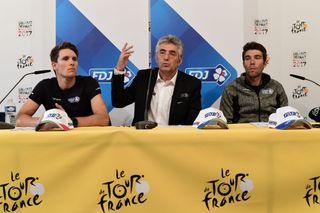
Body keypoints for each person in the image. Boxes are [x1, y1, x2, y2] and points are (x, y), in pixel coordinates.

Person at [112, 35, 201, 126]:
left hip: (173, 137)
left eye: (172, 53)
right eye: (162, 52)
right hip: (144, 136)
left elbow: (192, 121)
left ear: (180, 60)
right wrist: (120, 68)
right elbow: (118, 101)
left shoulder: (191, 84)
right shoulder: (144, 77)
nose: (166, 57)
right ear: (156, 57)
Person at [16, 41, 110, 127]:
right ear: (54, 65)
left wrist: (69, 121)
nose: (72, 62)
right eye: (66, 59)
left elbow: (103, 119)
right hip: (60, 140)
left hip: (87, 139)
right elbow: (20, 119)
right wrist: (46, 121)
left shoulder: (89, 83)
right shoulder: (45, 86)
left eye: (74, 59)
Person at [219, 41, 288, 123]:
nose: (252, 62)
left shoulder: (276, 87)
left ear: (264, 62)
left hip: (271, 133)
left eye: (257, 57)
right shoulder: (232, 88)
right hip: (242, 134)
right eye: (247, 58)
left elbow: (285, 119)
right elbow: (225, 123)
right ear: (243, 63)